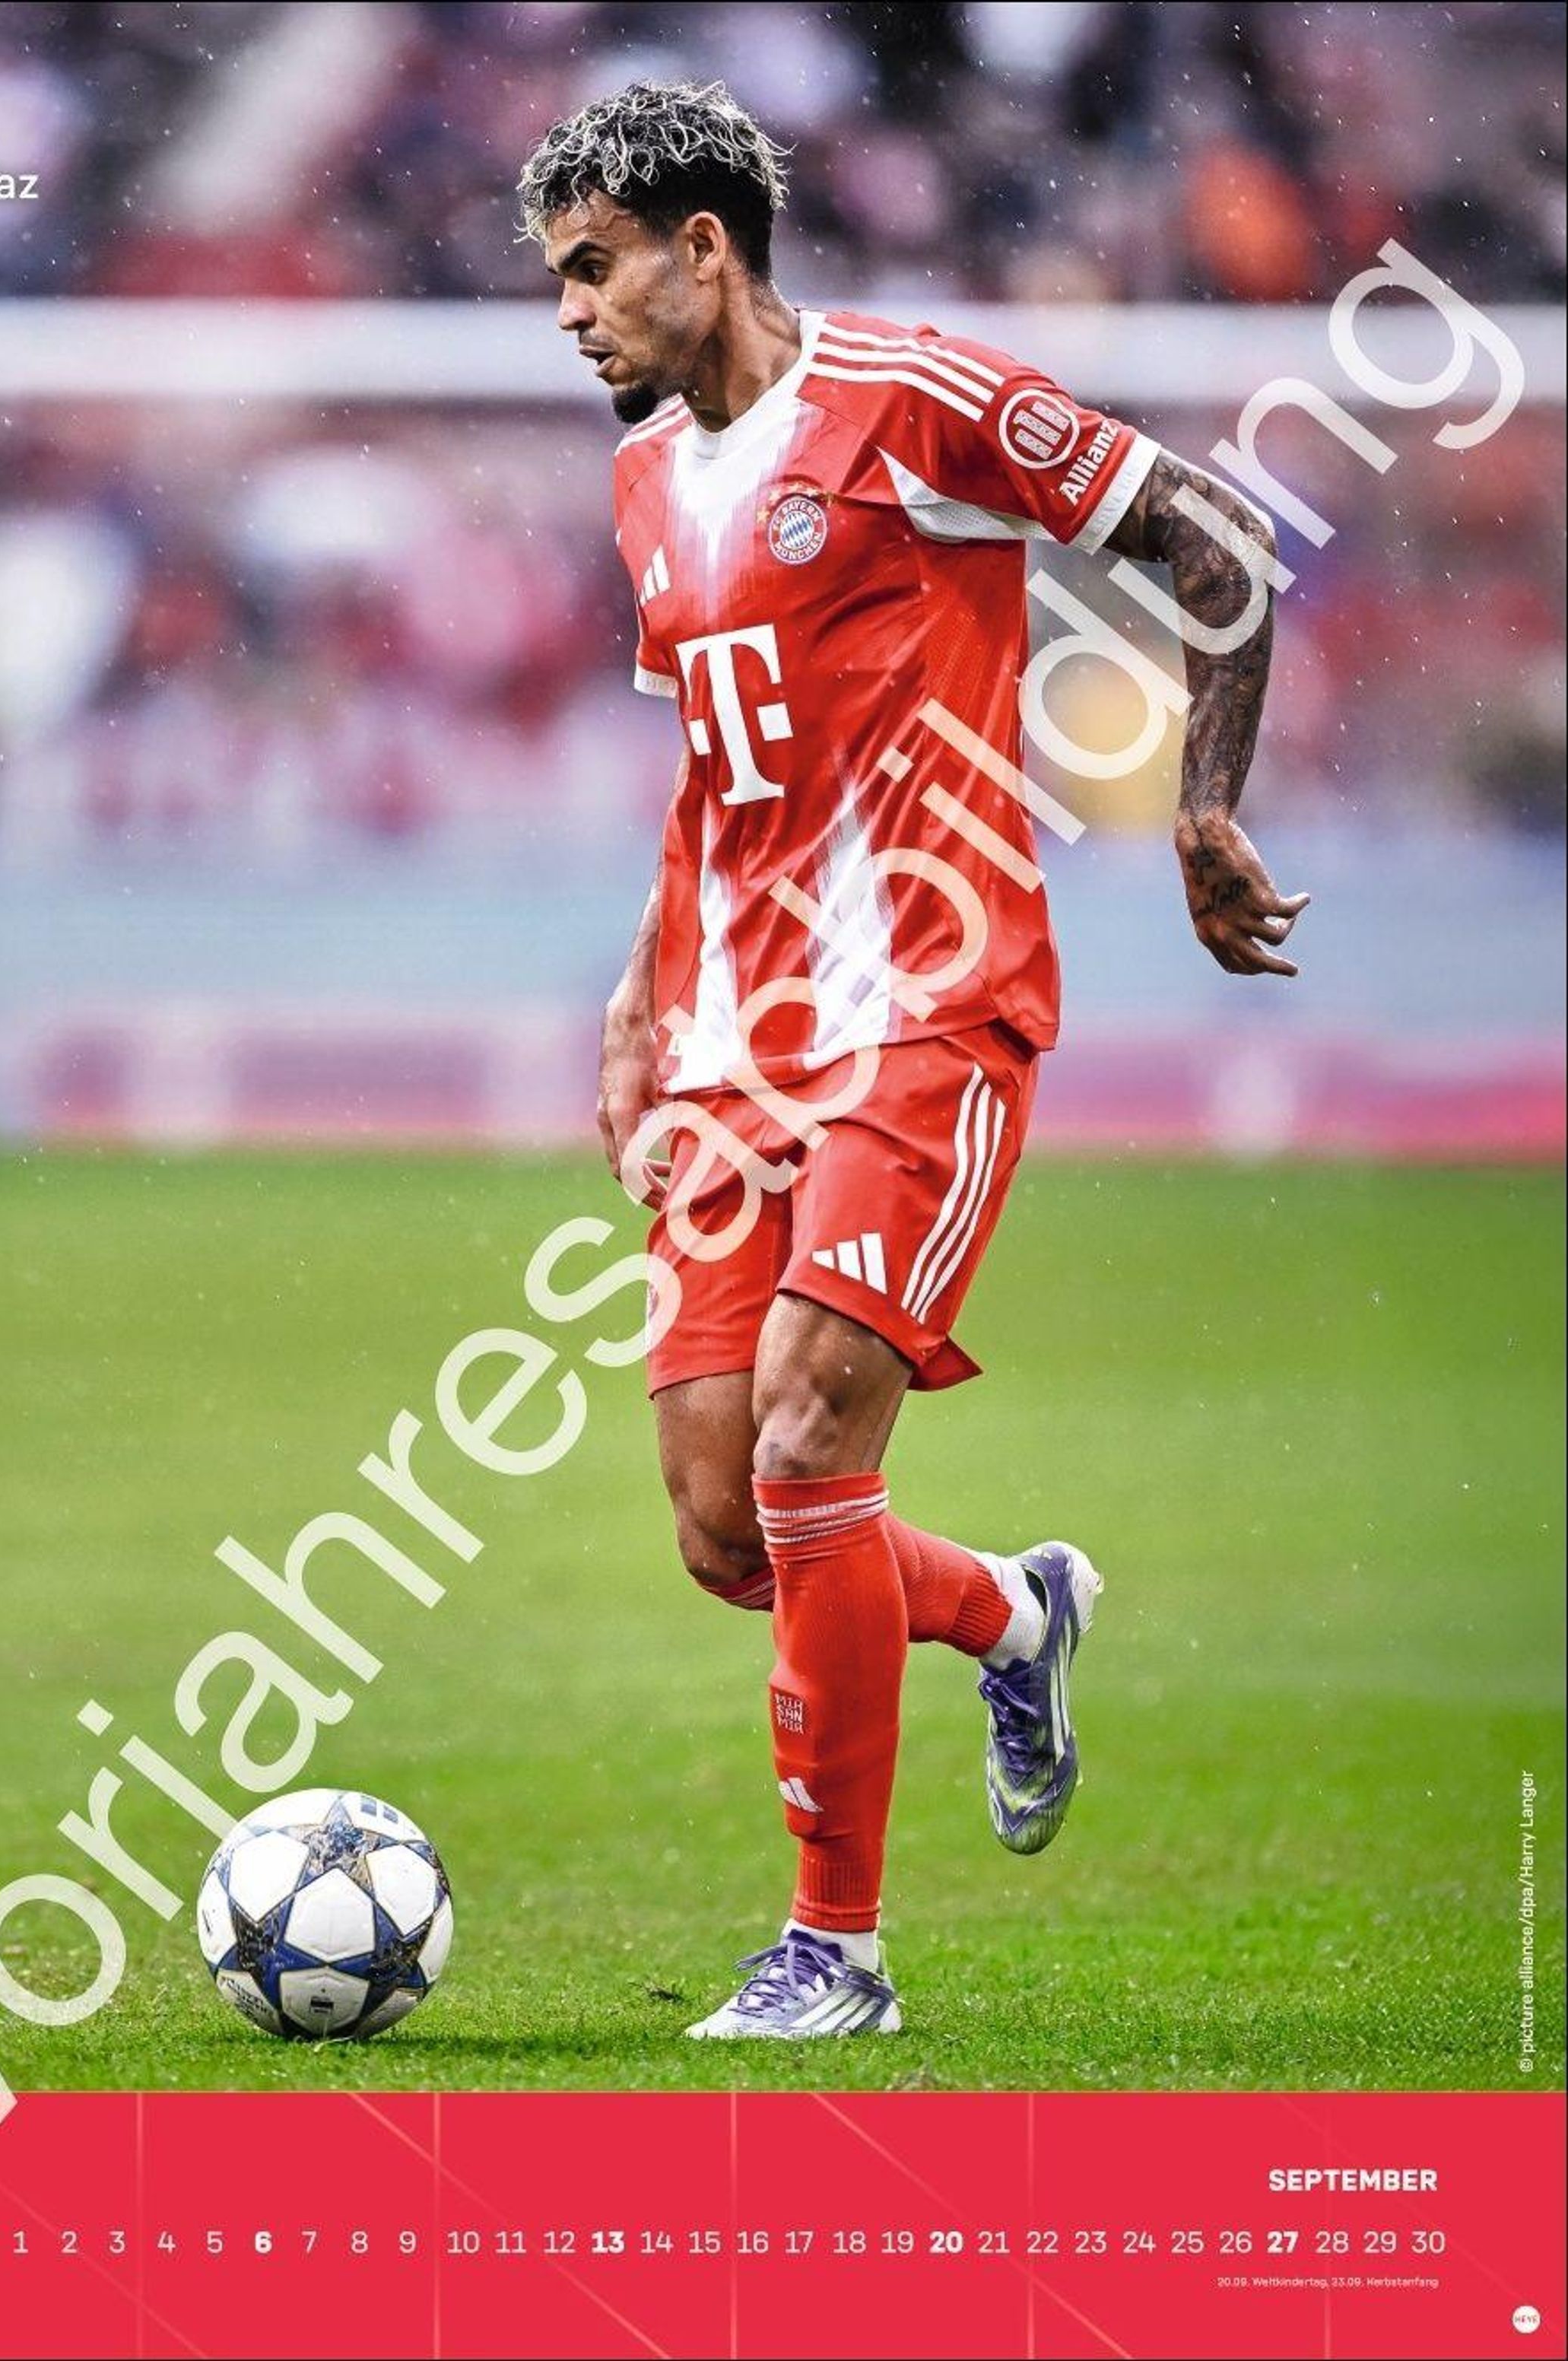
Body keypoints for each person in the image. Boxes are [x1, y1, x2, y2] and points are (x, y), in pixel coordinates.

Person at [517, 80, 1306, 2038]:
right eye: (557, 282)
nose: (571, 314)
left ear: (706, 247)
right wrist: (640, 994)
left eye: (593, 268)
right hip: (736, 1047)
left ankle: (834, 1953)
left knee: (810, 1441)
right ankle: (1016, 1611)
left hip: (930, 1010)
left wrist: (1206, 801)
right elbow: (720, 769)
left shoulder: (915, 397)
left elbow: (1214, 544)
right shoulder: (647, 484)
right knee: (729, 1527)